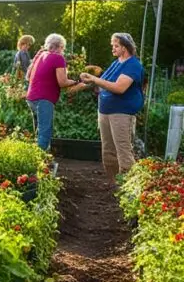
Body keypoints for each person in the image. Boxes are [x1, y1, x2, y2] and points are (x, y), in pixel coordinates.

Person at [79, 33, 146, 180]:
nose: (113, 49)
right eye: (112, 46)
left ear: (125, 47)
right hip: (105, 112)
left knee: (123, 151)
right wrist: (80, 84)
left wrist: (94, 79)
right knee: (108, 152)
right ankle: (114, 184)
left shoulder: (133, 65)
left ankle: (129, 188)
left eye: (116, 46)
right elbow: (102, 82)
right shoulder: (117, 63)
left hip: (121, 113)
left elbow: (119, 88)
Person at [25, 34, 87, 151]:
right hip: (44, 98)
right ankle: (41, 161)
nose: (63, 51)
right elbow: (62, 82)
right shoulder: (58, 58)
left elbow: (28, 77)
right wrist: (76, 82)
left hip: (31, 97)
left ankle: (37, 157)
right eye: (63, 48)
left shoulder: (42, 54)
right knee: (45, 131)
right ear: (59, 46)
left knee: (39, 130)